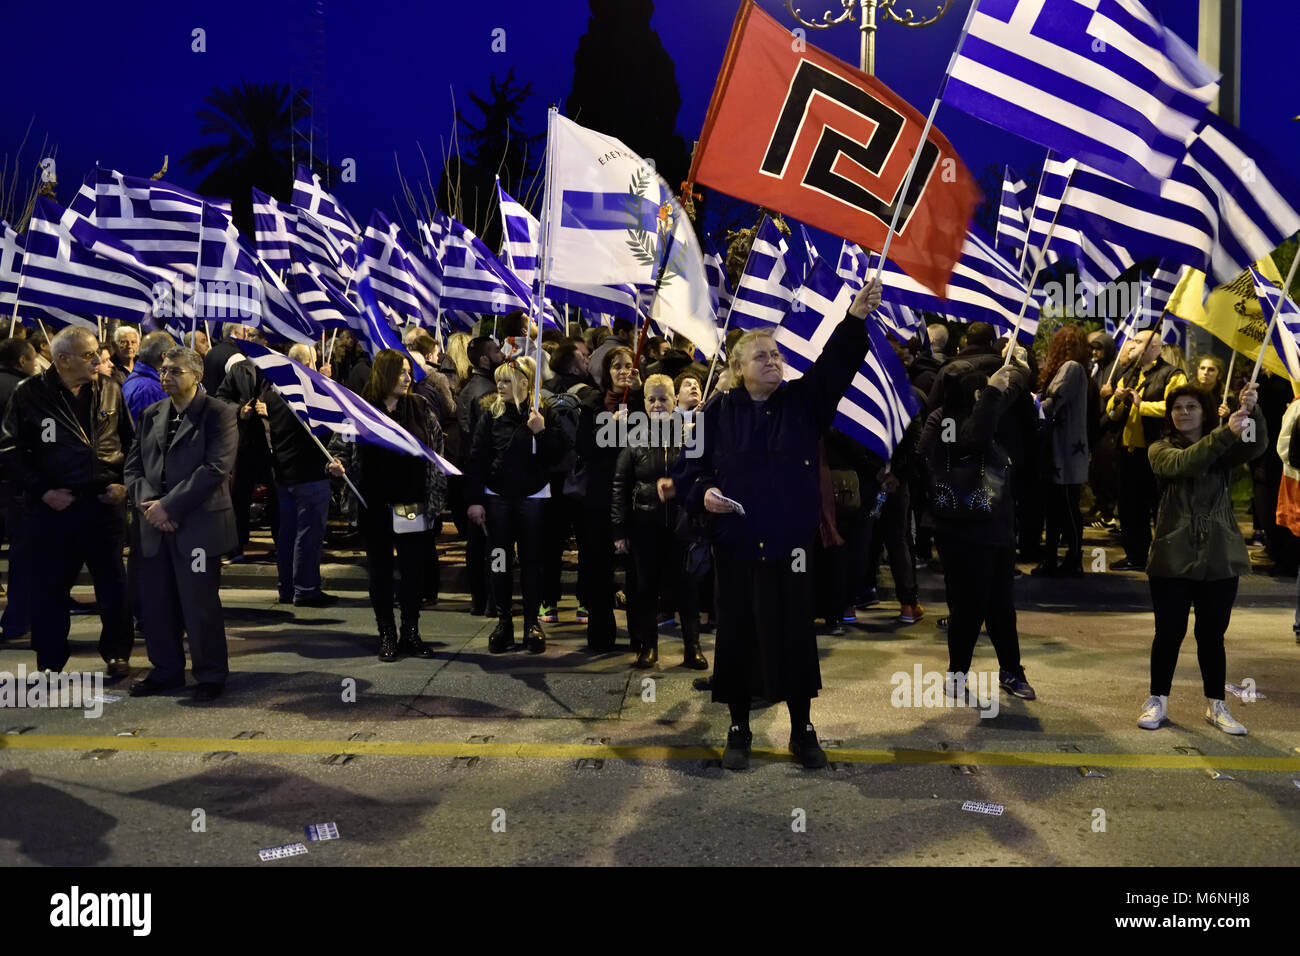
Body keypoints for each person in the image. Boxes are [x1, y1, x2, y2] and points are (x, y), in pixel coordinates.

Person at [663, 279, 882, 771]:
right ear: (738, 370)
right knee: (738, 636)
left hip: (791, 547)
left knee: (795, 639)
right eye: (760, 355)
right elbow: (685, 470)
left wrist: (854, 319)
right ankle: (738, 727)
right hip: (737, 546)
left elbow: (835, 368)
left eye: (775, 354)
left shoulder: (802, 403)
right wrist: (704, 494)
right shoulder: (717, 412)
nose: (772, 360)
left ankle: (802, 728)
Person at [0, 327, 134, 676]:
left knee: (114, 587)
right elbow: (9, 451)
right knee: (49, 589)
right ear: (63, 359)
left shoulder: (110, 389)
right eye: (89, 355)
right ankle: (49, 661)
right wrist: (43, 491)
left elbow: (132, 444)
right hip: (53, 508)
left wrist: (124, 485)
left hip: (104, 505)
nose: (98, 360)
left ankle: (118, 654)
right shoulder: (29, 394)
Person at [1138, 382, 1265, 735]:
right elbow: (1184, 464)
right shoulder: (1159, 449)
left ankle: (1216, 705)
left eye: (1191, 407)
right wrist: (1225, 433)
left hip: (1219, 558)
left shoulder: (1223, 448)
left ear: (1204, 411)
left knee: (1212, 636)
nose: (1183, 413)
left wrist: (1253, 410)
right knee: (1168, 633)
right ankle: (1157, 700)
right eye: (1177, 408)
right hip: (1171, 557)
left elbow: (1254, 446)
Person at [919, 357, 1038, 703]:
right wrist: (990, 395)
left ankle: (1012, 671)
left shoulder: (993, 413)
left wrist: (1019, 370)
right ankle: (957, 674)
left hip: (996, 527)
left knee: (1002, 606)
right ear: (974, 393)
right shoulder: (944, 421)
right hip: (960, 531)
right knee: (968, 608)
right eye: (982, 389)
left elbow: (1016, 395)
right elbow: (971, 441)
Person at [124, 347, 238, 700]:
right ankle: (166, 670)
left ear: (197, 376)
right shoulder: (151, 413)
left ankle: (209, 674)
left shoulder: (219, 414)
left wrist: (169, 508)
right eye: (163, 371)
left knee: (199, 604)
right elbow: (133, 468)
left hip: (197, 526)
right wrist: (150, 507)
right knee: (156, 604)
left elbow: (215, 469)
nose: (165, 377)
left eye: (175, 371)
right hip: (153, 526)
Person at [331, 350, 446, 662]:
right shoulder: (361, 410)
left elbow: (437, 448)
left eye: (409, 371)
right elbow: (338, 446)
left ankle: (411, 632)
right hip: (375, 503)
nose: (408, 378)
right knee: (380, 572)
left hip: (411, 503)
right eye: (401, 372)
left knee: (412, 571)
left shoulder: (419, 407)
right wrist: (338, 464)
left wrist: (435, 493)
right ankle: (387, 634)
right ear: (384, 374)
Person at [466, 356, 570, 653]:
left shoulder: (544, 412)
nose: (499, 385)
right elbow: (476, 458)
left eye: (506, 380)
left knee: (532, 562)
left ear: (525, 384)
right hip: (498, 499)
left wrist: (541, 431)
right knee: (499, 561)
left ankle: (531, 625)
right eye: (498, 379)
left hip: (533, 498)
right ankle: (503, 622)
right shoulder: (490, 413)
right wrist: (475, 500)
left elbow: (559, 454)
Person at [613, 374, 707, 669]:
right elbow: (620, 484)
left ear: (674, 401)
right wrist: (619, 529)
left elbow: (703, 477)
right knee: (645, 588)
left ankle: (692, 648)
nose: (657, 405)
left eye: (663, 399)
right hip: (645, 524)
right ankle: (648, 647)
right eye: (651, 399)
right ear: (644, 403)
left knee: (686, 587)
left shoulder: (690, 435)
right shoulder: (633, 437)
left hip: (682, 525)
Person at [267, 343, 346, 607]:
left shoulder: (274, 392)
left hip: (283, 474)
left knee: (287, 535)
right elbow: (326, 428)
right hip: (309, 475)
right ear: (309, 364)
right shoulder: (307, 393)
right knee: (308, 535)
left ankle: (286, 588)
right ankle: (307, 588)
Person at [576, 345, 644, 650]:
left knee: (638, 569)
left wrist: (640, 399)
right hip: (599, 497)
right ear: (606, 371)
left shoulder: (642, 402)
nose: (623, 371)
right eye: (616, 366)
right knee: (597, 568)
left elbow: (652, 439)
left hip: (633, 497)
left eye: (628, 365)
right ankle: (601, 635)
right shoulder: (591, 405)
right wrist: (608, 428)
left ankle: (641, 636)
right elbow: (584, 450)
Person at [1106, 329, 1188, 570]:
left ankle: (1168, 556)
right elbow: (1111, 414)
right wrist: (1117, 400)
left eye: (1138, 341)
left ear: (1154, 348)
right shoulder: (1128, 375)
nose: (1131, 345)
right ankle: (1135, 555)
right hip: (1130, 451)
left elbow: (1178, 409)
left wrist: (1143, 406)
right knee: (1130, 507)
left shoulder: (1172, 375)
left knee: (1161, 507)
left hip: (1158, 452)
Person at [1034, 326, 1091, 576]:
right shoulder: (1076, 369)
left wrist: (1028, 402)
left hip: (1065, 451)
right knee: (1057, 509)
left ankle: (1072, 559)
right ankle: (1056, 559)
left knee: (1066, 509)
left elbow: (1052, 403)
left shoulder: (1071, 368)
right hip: (1064, 449)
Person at [458, 335, 504, 616]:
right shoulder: (486, 393)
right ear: (484, 359)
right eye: (496, 350)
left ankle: (480, 596)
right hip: (484, 475)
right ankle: (490, 597)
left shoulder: (467, 388)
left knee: (477, 542)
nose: (502, 353)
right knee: (491, 543)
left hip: (471, 473)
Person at [0, 338, 38, 642]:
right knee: (25, 553)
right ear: (22, 360)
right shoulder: (25, 390)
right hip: (16, 483)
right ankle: (18, 619)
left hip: (11, 480)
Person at [121, 331, 176, 424]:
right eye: (173, 354)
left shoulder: (134, 379)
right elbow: (153, 432)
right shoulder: (150, 389)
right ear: (164, 356)